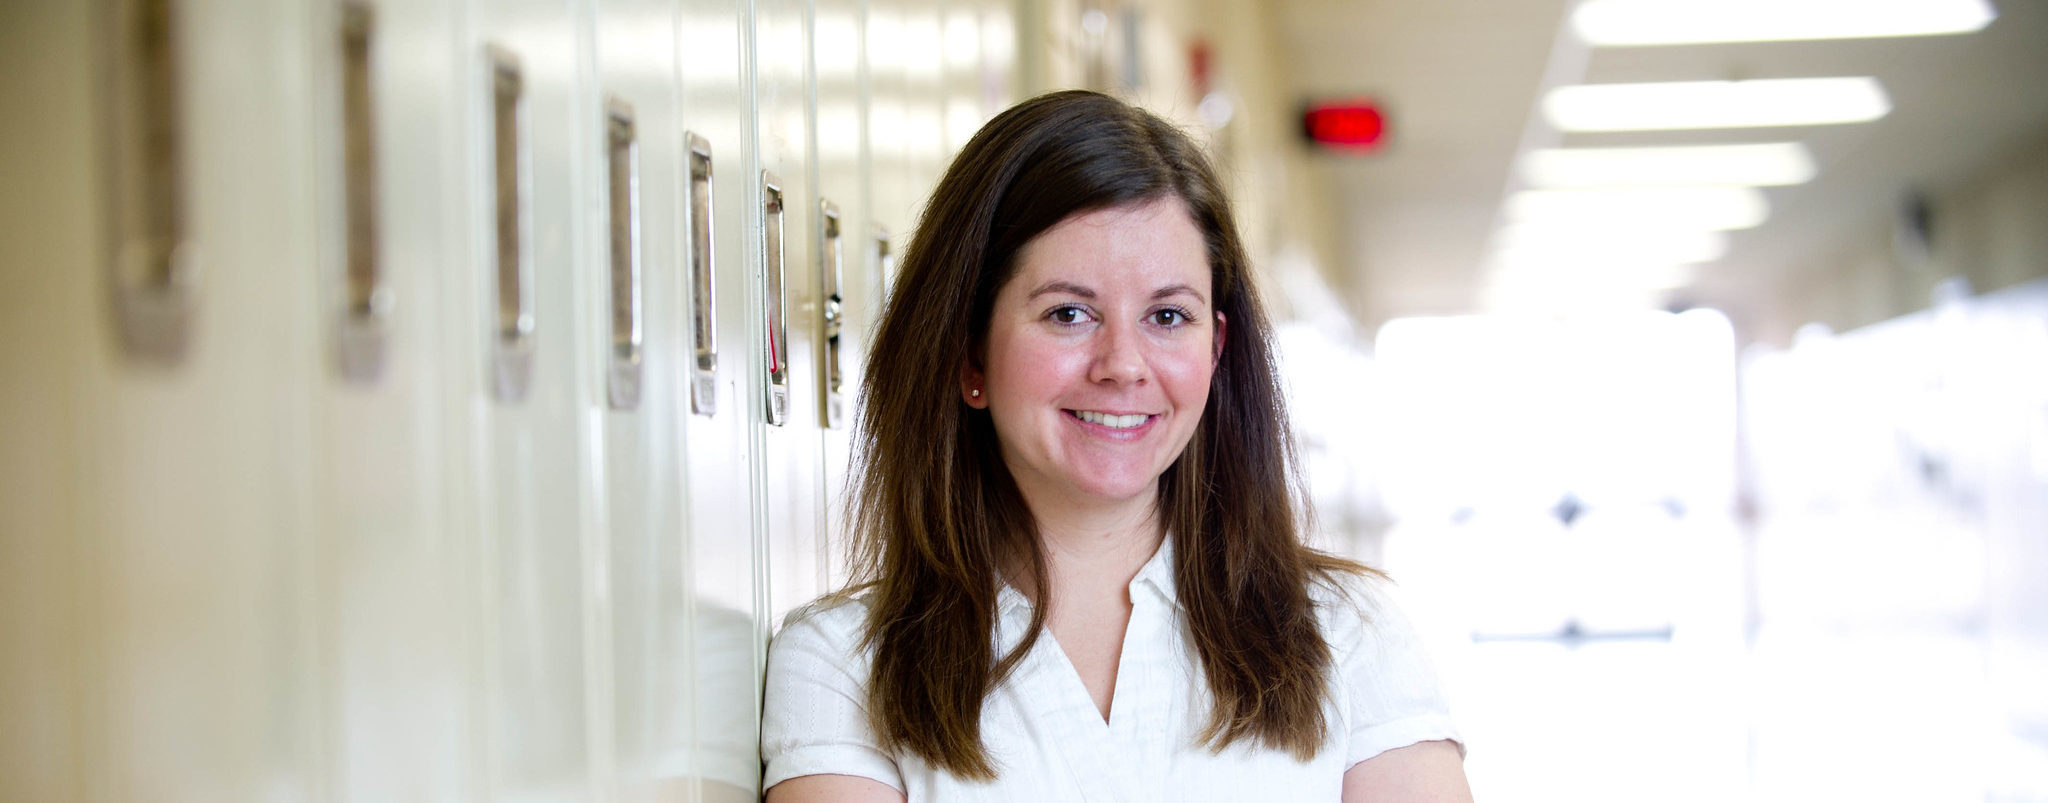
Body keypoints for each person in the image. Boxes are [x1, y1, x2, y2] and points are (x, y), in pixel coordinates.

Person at [762, 89, 1470, 802]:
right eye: (1068, 313)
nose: (1124, 363)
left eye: (1168, 315)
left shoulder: (1349, 635)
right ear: (969, 353)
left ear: (1216, 348)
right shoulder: (845, 666)